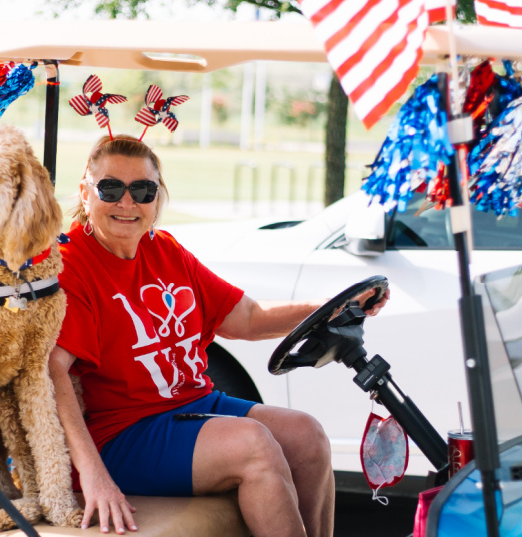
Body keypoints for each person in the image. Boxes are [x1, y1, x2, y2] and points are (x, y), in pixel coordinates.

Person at [48, 135, 390, 537]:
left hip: (191, 404)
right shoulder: (72, 265)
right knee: (253, 445)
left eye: (143, 190)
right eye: (110, 188)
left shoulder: (165, 250)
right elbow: (53, 372)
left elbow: (246, 317)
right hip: (123, 430)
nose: (127, 203)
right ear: (86, 193)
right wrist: (94, 475)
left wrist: (333, 305)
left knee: (307, 434)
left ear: (158, 198)